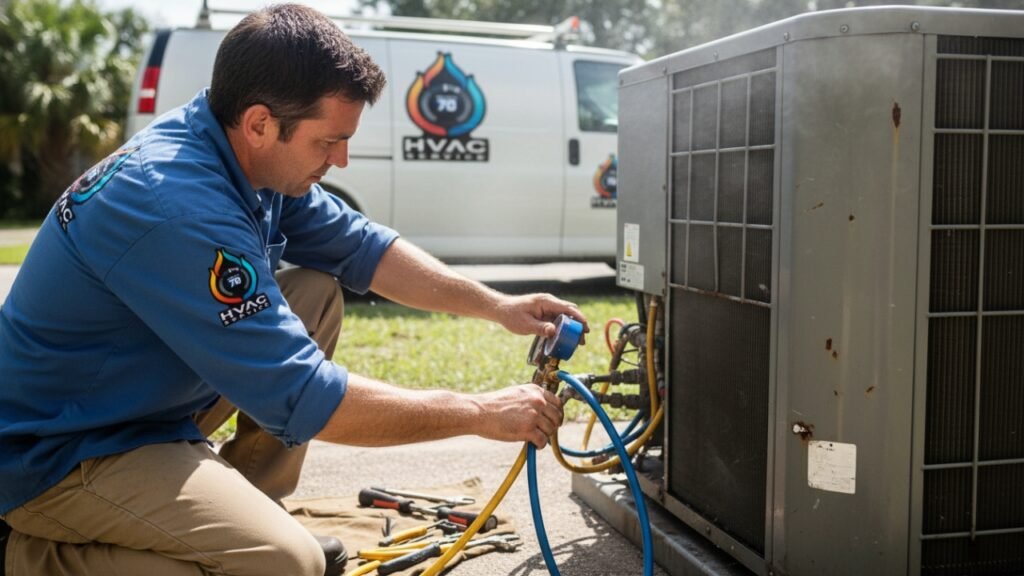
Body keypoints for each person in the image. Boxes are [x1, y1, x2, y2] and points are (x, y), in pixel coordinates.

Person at [0, 4, 587, 575]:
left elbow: (364, 248)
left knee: (312, 291)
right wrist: (480, 411)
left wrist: (498, 306)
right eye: (328, 142)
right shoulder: (175, 204)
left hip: (131, 405)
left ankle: (254, 503)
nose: (343, 159)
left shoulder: (239, 153)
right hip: (60, 451)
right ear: (260, 124)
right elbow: (303, 395)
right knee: (287, 563)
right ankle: (22, 555)